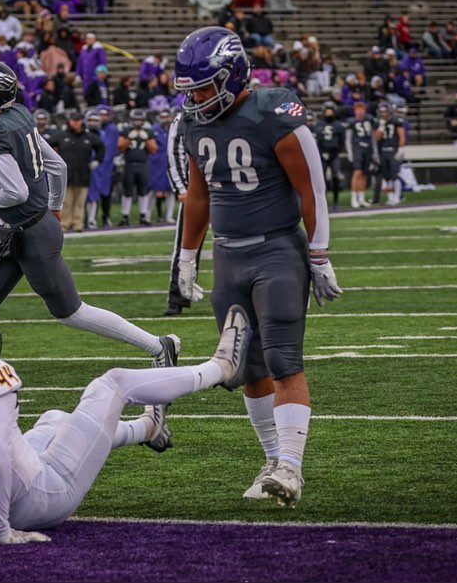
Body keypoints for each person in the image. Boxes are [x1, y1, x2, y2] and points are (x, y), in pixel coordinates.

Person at [0, 304, 251, 544]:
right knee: (113, 384)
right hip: (40, 498)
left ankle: (147, 429)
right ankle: (220, 368)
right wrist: (0, 530)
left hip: (5, 490)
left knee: (54, 418)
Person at [172, 26, 341, 508]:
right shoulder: (194, 123)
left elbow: (312, 188)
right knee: (247, 368)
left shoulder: (272, 111)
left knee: (284, 358)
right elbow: (198, 195)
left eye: (205, 86)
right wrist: (188, 255)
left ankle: (291, 465)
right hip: (228, 256)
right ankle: (271, 460)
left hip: (276, 251)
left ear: (233, 75)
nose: (198, 98)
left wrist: (319, 253)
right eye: (191, 89)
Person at [0, 60, 180, 379]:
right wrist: (55, 206)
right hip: (20, 229)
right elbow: (57, 165)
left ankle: (158, 345)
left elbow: (15, 192)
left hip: (30, 234)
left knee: (71, 312)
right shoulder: (18, 114)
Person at [164, 110, 204, 317]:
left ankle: (244, 295)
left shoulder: (234, 112)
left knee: (240, 243)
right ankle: (177, 298)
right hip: (198, 191)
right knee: (185, 245)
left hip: (230, 188)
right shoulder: (186, 117)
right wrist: (181, 188)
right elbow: (174, 151)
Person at [48, 109, 105, 232]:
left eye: (78, 120)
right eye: (74, 120)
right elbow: (47, 145)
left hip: (84, 173)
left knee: (80, 202)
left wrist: (97, 160)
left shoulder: (88, 136)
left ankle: (78, 224)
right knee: (66, 202)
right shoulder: (62, 135)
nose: (76, 123)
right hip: (67, 175)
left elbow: (101, 146)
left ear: (81, 121)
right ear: (69, 121)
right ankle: (64, 224)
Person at [117, 108, 156, 226]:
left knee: (143, 190)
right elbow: (120, 146)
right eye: (135, 119)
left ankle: (143, 215)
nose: (137, 122)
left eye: (139, 119)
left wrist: (146, 139)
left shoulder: (148, 131)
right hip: (129, 164)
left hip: (143, 164)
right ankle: (125, 216)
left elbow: (154, 149)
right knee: (127, 191)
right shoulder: (126, 130)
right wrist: (129, 138)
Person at [345, 100, 379, 208]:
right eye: (358, 109)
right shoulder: (351, 122)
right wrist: (350, 152)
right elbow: (348, 139)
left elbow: (372, 138)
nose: (360, 112)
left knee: (364, 175)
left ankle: (361, 198)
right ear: (355, 111)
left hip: (367, 149)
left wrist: (375, 153)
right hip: (357, 149)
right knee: (357, 173)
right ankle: (354, 198)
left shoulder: (369, 120)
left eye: (362, 109)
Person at [313, 100, 346, 210]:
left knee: (335, 177)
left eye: (330, 111)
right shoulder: (319, 125)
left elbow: (342, 141)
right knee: (322, 179)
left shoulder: (338, 125)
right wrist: (322, 152)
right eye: (327, 111)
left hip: (334, 154)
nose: (329, 113)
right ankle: (323, 201)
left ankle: (335, 202)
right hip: (322, 154)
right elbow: (317, 141)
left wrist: (334, 153)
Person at [374, 102, 406, 206]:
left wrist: (401, 149)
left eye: (385, 112)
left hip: (393, 150)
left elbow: (402, 136)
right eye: (382, 112)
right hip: (383, 151)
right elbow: (376, 138)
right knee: (386, 176)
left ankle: (397, 197)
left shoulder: (396, 121)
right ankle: (390, 197)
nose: (383, 114)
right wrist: (381, 126)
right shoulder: (378, 123)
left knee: (394, 175)